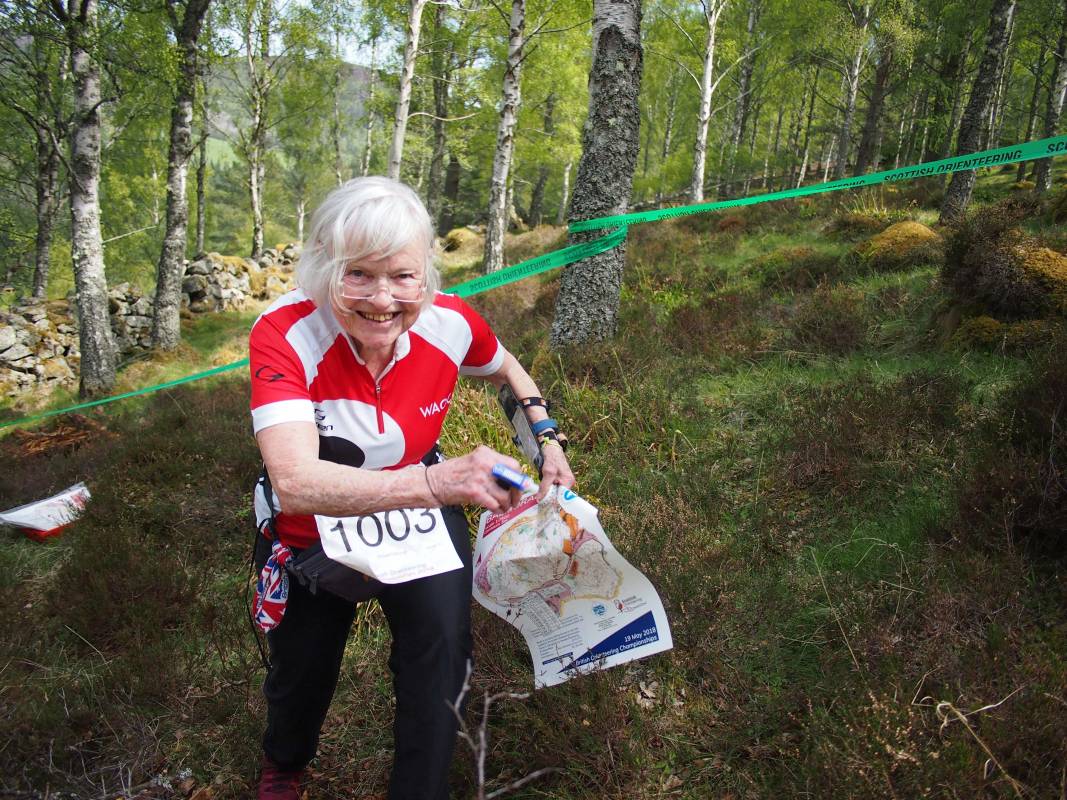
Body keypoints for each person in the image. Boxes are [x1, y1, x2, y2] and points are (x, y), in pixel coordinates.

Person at [247, 176, 574, 800]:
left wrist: (546, 442)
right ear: (322, 270)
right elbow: (293, 482)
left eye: (403, 276)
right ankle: (285, 765)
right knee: (303, 672)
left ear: (427, 273)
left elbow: (506, 370)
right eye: (358, 276)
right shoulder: (284, 332)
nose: (383, 300)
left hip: (422, 511)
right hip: (310, 533)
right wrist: (438, 480)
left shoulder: (450, 321)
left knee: (443, 656)